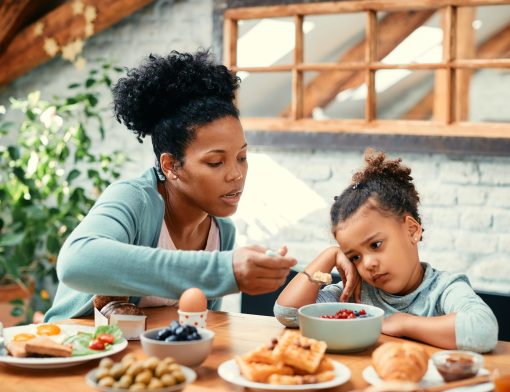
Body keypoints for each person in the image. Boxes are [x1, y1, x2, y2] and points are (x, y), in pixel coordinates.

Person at [45, 50, 296, 322]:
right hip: (72, 354)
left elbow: (196, 326)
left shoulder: (221, 232)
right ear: (171, 166)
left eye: (242, 157)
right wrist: (224, 269)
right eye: (215, 162)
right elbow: (75, 262)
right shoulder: (135, 200)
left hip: (147, 361)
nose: (236, 174)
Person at [274, 149, 498, 353]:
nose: (368, 264)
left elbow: (482, 330)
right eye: (355, 257)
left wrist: (403, 323)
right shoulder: (356, 294)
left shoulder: (444, 289)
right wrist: (330, 255)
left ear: (412, 230)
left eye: (376, 245)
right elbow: (289, 314)